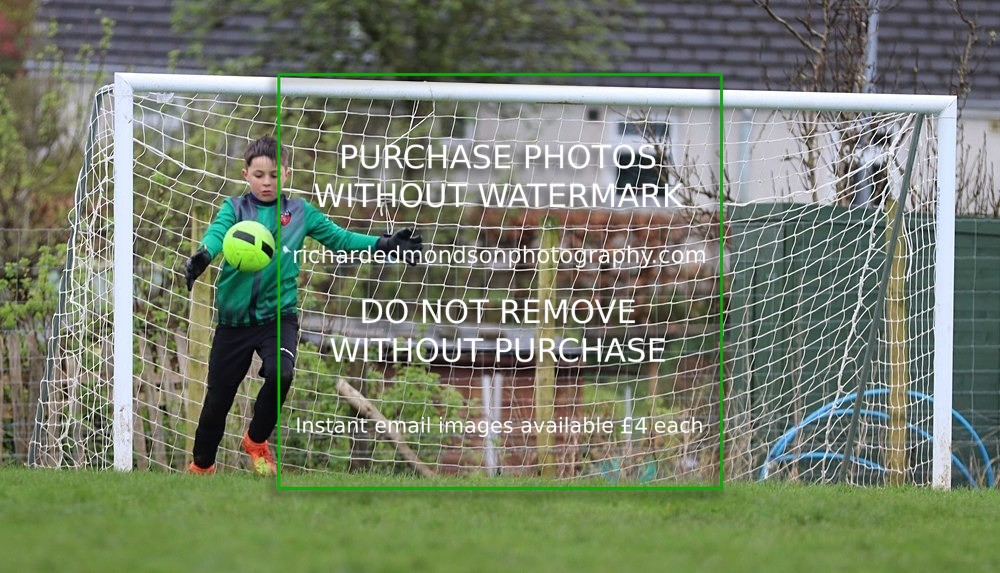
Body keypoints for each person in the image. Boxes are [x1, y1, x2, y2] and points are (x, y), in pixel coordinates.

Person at [183, 135, 422, 475]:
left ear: (287, 174)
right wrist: (205, 255)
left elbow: (340, 239)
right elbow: (217, 234)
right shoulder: (234, 209)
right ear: (246, 175)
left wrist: (383, 243)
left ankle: (256, 440)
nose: (267, 182)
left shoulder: (300, 212)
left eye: (274, 175)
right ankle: (201, 467)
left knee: (281, 373)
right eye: (259, 175)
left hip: (278, 317)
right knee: (217, 402)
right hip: (234, 323)